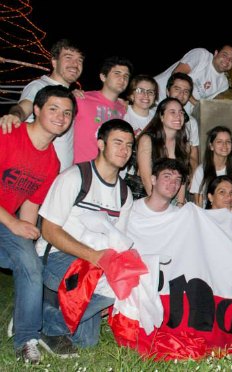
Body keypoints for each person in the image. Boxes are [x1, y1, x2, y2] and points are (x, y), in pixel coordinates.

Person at [37, 119, 135, 352]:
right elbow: (49, 231)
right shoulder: (75, 177)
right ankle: (49, 325)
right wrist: (93, 256)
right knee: (110, 285)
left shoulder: (124, 193)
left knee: (86, 342)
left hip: (92, 261)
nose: (124, 150)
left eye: (129, 145)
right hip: (56, 257)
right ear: (101, 144)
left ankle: (46, 315)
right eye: (118, 142)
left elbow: (117, 241)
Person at [0, 86, 76, 363]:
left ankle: (26, 339)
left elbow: (30, 205)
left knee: (30, 263)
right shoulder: (7, 134)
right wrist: (13, 223)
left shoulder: (51, 162)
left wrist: (27, 238)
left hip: (3, 221)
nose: (60, 116)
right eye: (53, 109)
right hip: (3, 218)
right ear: (36, 110)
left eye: (67, 112)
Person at [0, 39, 83, 171]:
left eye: (80, 60)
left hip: (60, 176)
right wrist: (14, 116)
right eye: (68, 58)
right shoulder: (39, 86)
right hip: (36, 171)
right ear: (54, 62)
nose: (75, 64)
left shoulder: (69, 96)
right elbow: (24, 107)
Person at [73, 56, 133, 164]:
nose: (122, 79)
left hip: (107, 173)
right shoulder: (81, 99)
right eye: (117, 73)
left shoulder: (124, 109)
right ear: (103, 77)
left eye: (126, 76)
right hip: (80, 169)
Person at [137, 98, 190, 206]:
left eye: (181, 112)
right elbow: (146, 178)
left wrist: (180, 203)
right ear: (161, 116)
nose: (178, 116)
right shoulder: (147, 140)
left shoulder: (184, 145)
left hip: (171, 198)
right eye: (172, 112)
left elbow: (181, 179)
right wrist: (159, 206)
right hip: (146, 196)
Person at [154, 45, 232, 105]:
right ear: (216, 53)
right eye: (224, 55)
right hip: (156, 96)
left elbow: (205, 105)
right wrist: (194, 101)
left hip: (175, 113)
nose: (227, 61)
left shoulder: (223, 84)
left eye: (231, 59)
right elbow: (177, 75)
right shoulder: (202, 55)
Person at [191, 126, 232, 207]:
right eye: (219, 142)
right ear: (211, 146)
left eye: (228, 141)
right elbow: (198, 203)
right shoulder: (201, 170)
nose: (224, 145)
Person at [165, 73, 201, 177]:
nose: (181, 95)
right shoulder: (154, 115)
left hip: (180, 176)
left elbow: (193, 155)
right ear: (168, 91)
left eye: (186, 92)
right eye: (177, 89)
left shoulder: (191, 122)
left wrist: (194, 179)